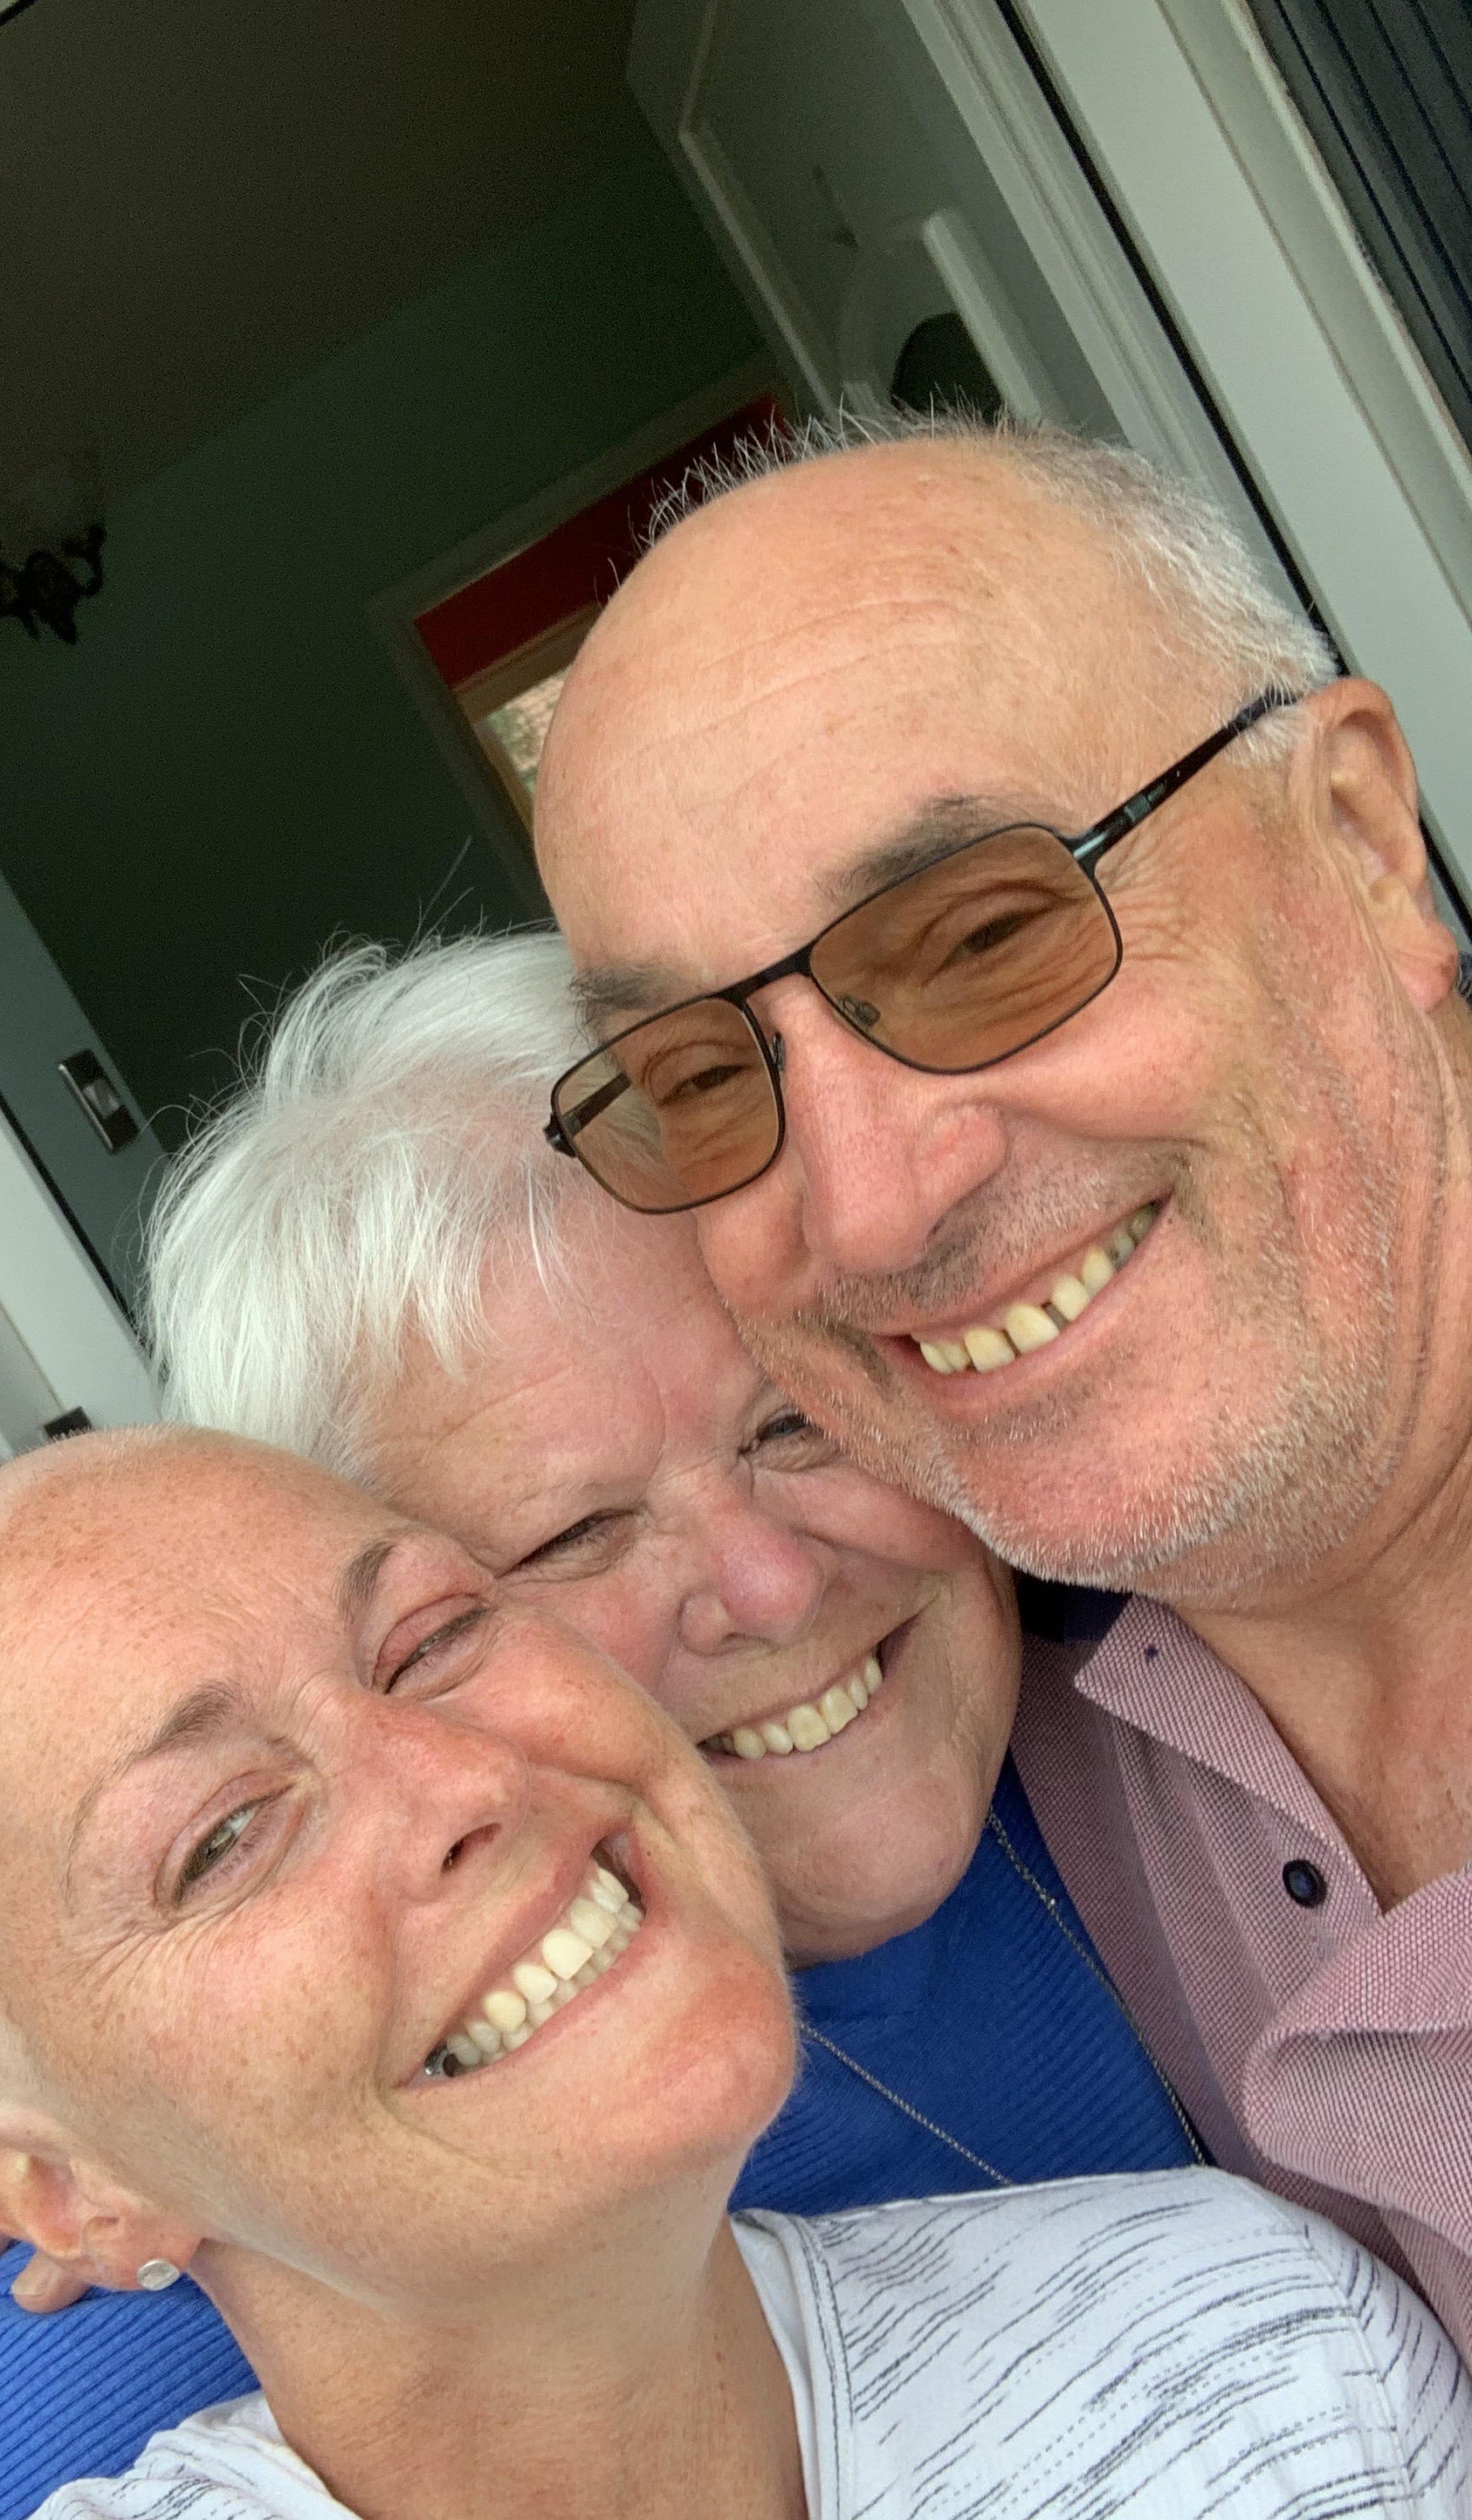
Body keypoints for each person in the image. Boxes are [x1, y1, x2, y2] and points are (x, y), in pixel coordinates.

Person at [0, 937, 1194, 2520]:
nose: (771, 1581)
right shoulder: (242, 2232)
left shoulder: (1166, 1664)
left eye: (792, 1420)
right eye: (569, 1540)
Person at [0, 1425, 1472, 2520]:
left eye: (433, 1638)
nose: (461, 1779)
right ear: (61, 2195)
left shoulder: (1259, 2346)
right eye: (224, 1836)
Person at [533, 415, 1472, 2348]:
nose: (873, 1206)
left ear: (1365, 841)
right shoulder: (967, 1702)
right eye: (704, 1073)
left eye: (983, 934)